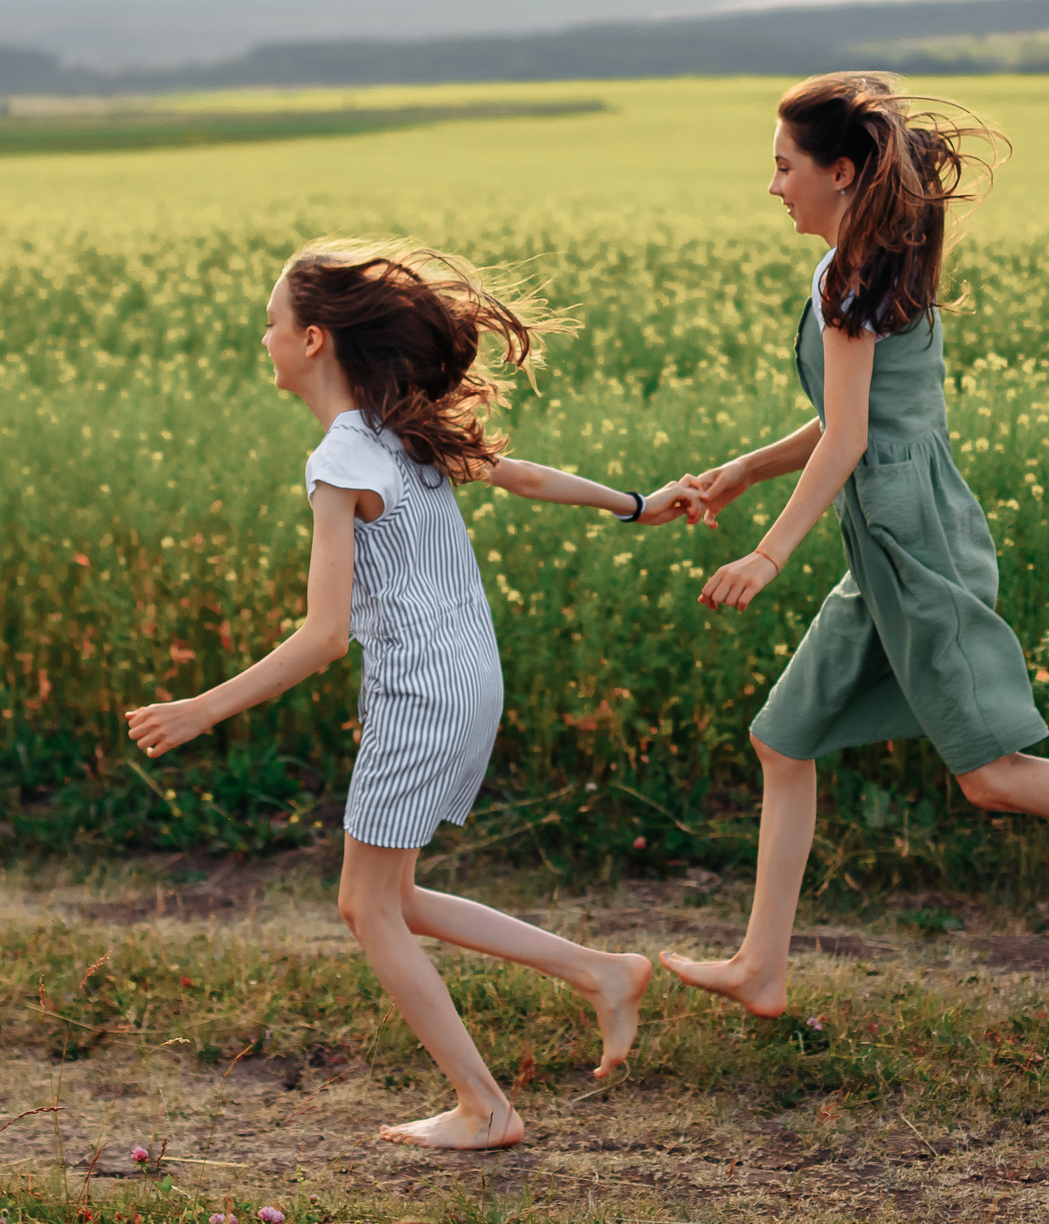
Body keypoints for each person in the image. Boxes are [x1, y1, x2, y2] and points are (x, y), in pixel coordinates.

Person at [658, 72, 1049, 1019]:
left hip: (916, 548)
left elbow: (851, 438)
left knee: (992, 774)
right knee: (782, 740)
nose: (775, 186)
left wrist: (768, 553)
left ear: (838, 171)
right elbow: (850, 418)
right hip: (884, 547)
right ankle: (761, 966)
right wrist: (746, 471)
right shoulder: (857, 263)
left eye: (784, 168)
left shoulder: (854, 276)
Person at [125, 237, 700, 1150]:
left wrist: (203, 708)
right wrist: (635, 502)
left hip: (421, 693)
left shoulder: (342, 459)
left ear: (313, 340)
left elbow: (322, 635)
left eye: (270, 322)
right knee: (394, 895)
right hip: (469, 677)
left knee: (365, 905)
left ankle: (485, 1107)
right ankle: (601, 972)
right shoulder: (403, 431)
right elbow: (526, 475)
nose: (261, 336)